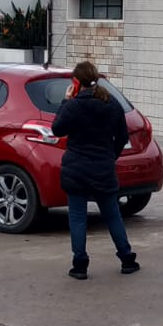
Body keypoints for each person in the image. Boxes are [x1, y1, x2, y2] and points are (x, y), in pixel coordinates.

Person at [52, 61, 139, 280]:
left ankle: (80, 265)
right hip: (103, 168)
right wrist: (110, 156)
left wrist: (65, 100)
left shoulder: (73, 106)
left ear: (76, 82)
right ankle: (127, 259)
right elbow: (122, 136)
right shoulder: (112, 105)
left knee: (77, 218)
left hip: (76, 169)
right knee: (112, 215)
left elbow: (57, 129)